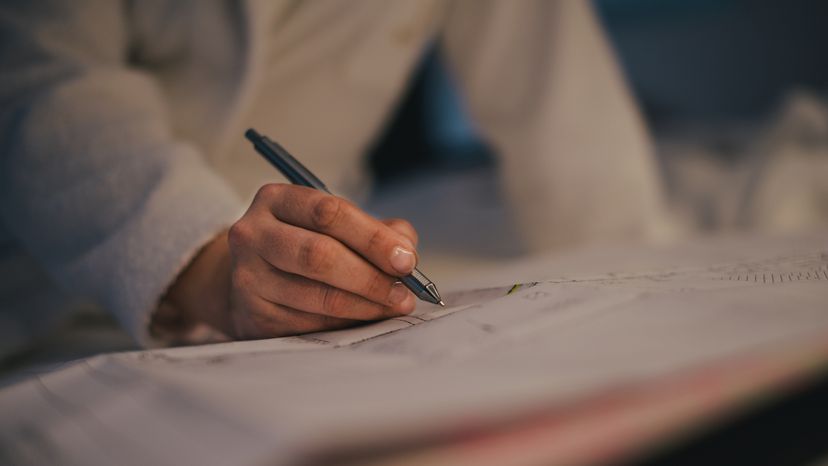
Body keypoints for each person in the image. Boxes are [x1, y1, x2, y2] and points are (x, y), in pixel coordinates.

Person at [0, 0, 666, 350]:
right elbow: (40, 78)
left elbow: (566, 115)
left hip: (308, 297)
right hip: (46, 288)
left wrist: (642, 283)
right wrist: (201, 267)